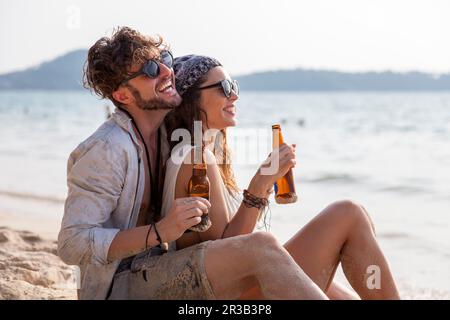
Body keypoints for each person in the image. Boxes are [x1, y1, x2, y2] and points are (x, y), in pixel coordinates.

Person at [58, 26, 331, 300]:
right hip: (118, 288)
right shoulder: (106, 150)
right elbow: (73, 243)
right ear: (123, 96)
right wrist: (160, 231)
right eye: (151, 70)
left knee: (316, 272)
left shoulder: (166, 138)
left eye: (164, 59)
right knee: (263, 246)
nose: (167, 72)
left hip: (155, 269)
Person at [161, 54, 401, 300]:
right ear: (191, 98)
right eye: (224, 88)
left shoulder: (203, 154)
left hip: (234, 289)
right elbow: (231, 256)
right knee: (349, 214)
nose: (234, 95)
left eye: (234, 86)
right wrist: (260, 184)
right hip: (226, 297)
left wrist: (263, 186)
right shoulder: (195, 159)